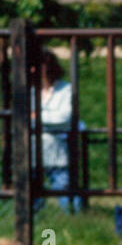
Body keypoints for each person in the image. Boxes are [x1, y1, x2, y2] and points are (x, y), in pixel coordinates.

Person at [34, 50, 83, 213]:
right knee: (32, 201)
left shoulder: (66, 89)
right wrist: (48, 120)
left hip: (58, 151)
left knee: (67, 199)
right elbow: (23, 118)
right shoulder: (29, 91)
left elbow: (64, 117)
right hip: (34, 152)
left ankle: (74, 227)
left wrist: (37, 117)